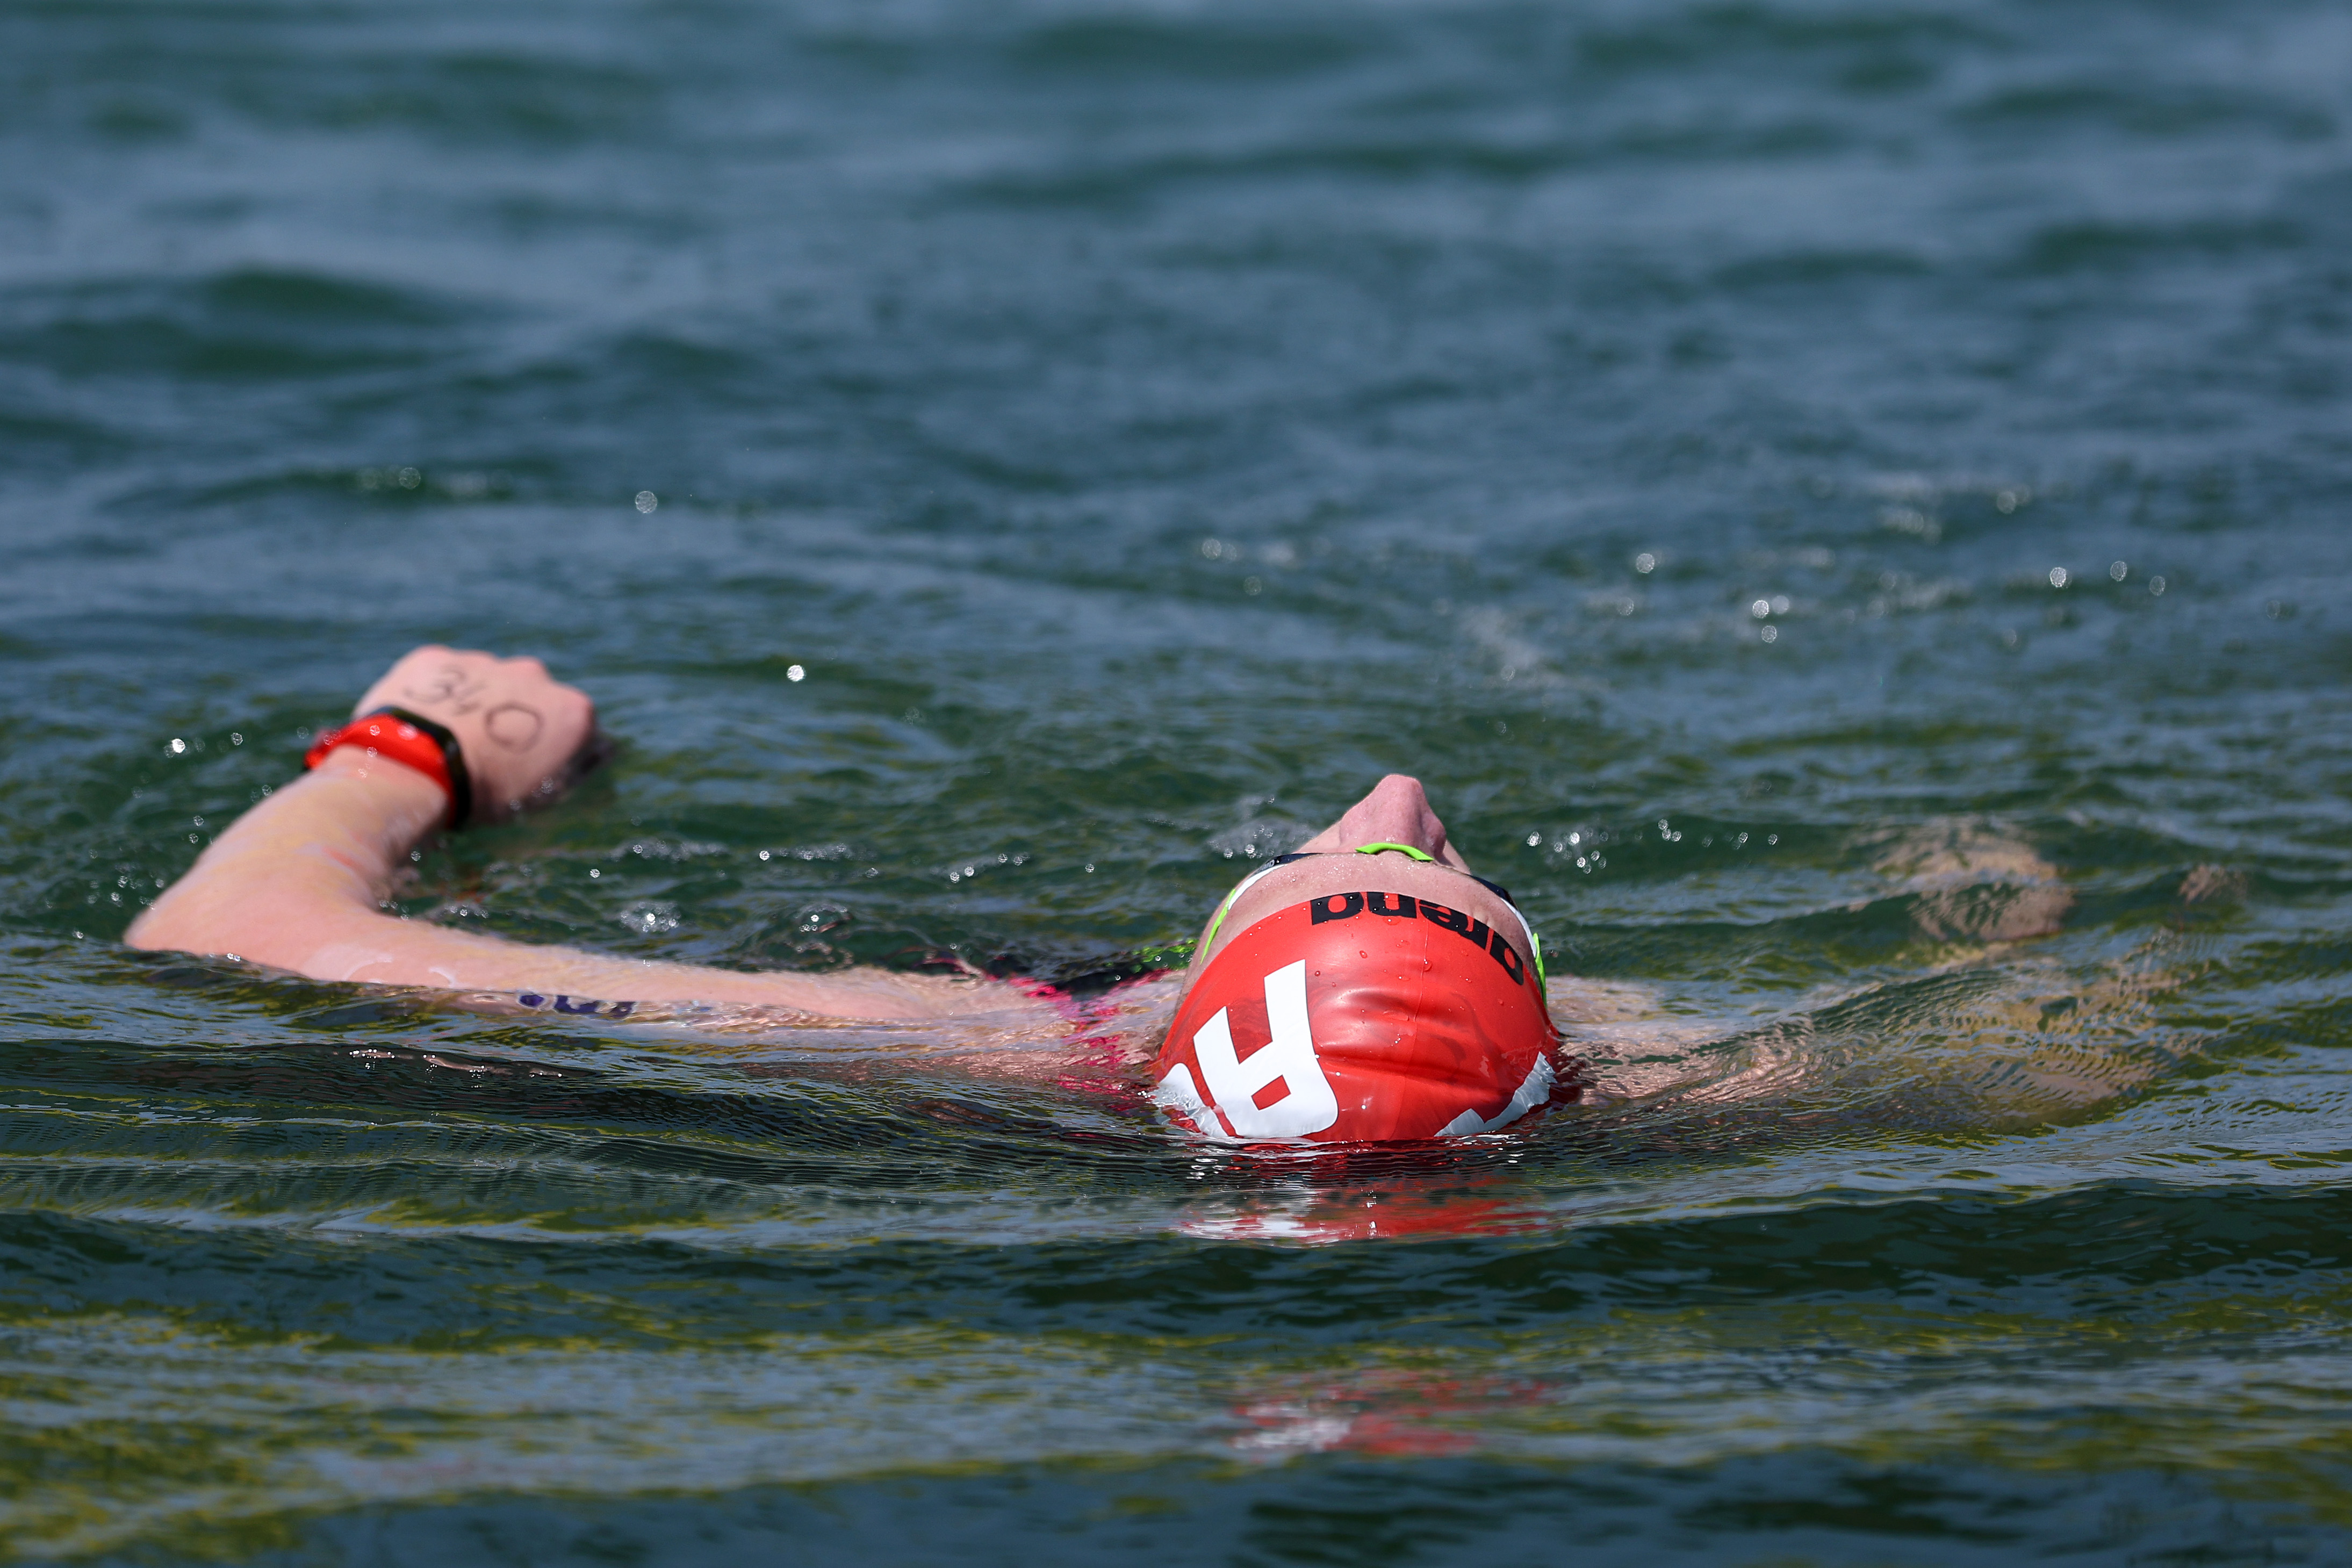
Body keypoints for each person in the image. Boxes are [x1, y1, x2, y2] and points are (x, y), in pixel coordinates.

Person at [129, 645, 1570, 1144]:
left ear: (1176, 1026)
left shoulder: (980, 1043)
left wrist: (419, 745)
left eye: (1317, 865)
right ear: (1566, 1069)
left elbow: (229, 940)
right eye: (1447, 870)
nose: (1391, 799)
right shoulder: (1681, 1075)